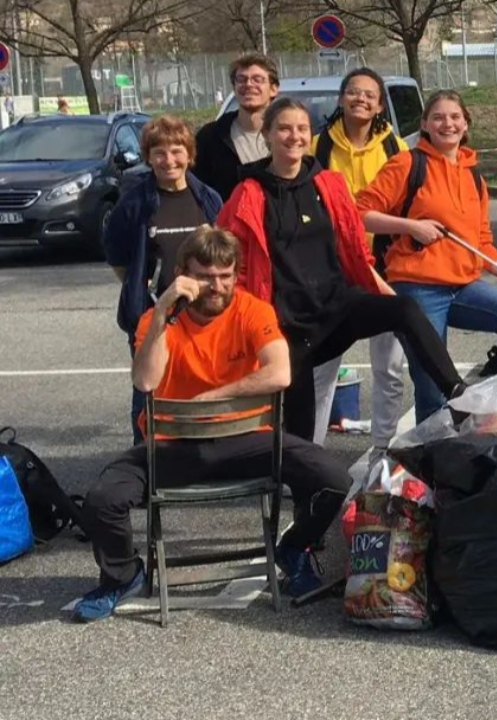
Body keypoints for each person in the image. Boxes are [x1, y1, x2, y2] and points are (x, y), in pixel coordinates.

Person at [72, 228, 352, 622]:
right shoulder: (157, 319)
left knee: (333, 478)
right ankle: (121, 576)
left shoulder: (253, 310)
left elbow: (281, 372)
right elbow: (146, 382)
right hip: (173, 446)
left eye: (225, 275)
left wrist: (216, 396)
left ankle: (293, 548)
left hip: (246, 441)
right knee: (103, 500)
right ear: (182, 273)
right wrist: (164, 312)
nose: (217, 285)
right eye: (205, 275)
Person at [217, 97, 465, 437]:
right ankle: (299, 485)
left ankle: (457, 395)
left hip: (336, 306)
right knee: (300, 422)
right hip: (288, 324)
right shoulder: (248, 193)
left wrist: (382, 289)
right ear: (268, 135)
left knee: (405, 308)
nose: (294, 136)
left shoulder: (329, 184)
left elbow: (355, 249)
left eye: (302, 128)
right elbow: (231, 265)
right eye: (285, 129)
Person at [358, 90, 497, 423]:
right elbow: (359, 214)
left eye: (455, 117)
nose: (448, 124)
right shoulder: (407, 163)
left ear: (466, 123)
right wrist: (410, 227)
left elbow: (482, 243)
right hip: (417, 287)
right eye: (439, 117)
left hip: (464, 285)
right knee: (432, 387)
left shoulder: (474, 176)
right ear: (425, 124)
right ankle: (431, 459)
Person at [306, 68, 410, 453]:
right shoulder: (316, 147)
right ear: (340, 98)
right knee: (321, 371)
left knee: (389, 370)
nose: (360, 99)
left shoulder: (396, 148)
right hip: (329, 271)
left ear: (380, 104)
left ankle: (382, 453)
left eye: (369, 94)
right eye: (353, 92)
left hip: (382, 267)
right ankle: (309, 457)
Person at [104, 115, 223, 445]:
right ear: (148, 156)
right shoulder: (134, 204)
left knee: (202, 387)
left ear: (189, 154)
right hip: (153, 315)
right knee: (149, 392)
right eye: (159, 152)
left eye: (176, 150)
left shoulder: (208, 199)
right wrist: (146, 292)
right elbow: (119, 260)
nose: (168, 160)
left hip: (203, 316)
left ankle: (200, 457)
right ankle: (147, 461)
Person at [194, 52, 281, 200]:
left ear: (273, 89)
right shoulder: (210, 137)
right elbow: (197, 190)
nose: (248, 84)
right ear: (234, 88)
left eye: (257, 79)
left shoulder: (290, 136)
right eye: (241, 79)